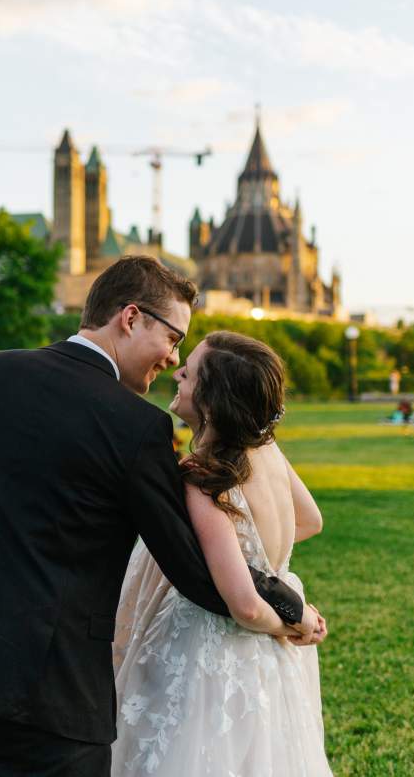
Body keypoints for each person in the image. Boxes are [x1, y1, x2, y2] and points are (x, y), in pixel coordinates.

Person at [0, 256, 319, 776]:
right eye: (173, 338)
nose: (171, 358)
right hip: (48, 691)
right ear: (131, 318)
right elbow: (195, 570)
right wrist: (288, 605)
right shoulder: (136, 428)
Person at [112, 332, 331, 776]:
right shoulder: (266, 448)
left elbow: (246, 606)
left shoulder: (204, 474)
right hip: (267, 664)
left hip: (209, 649)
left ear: (211, 401)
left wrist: (289, 625)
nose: (176, 373)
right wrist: (256, 558)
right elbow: (309, 520)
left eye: (188, 373)